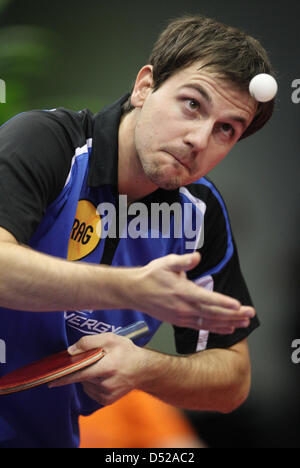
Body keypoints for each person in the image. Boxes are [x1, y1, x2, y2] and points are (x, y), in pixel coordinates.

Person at [0, 14, 275, 448]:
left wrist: (144, 367)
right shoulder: (48, 142)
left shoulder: (198, 213)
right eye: (192, 104)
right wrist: (131, 289)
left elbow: (233, 379)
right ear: (145, 86)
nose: (200, 139)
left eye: (226, 129)